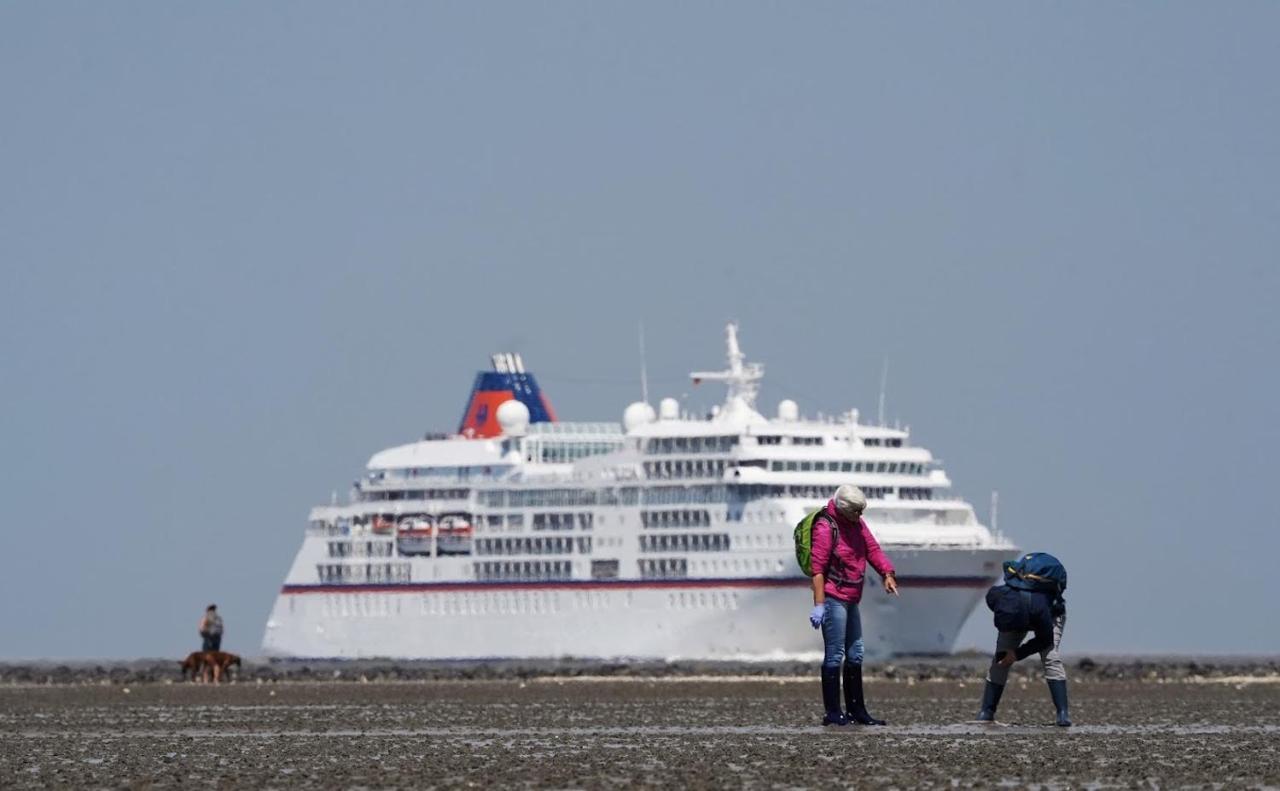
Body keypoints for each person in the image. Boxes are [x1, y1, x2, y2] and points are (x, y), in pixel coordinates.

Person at [808, 484, 899, 726]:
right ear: (843, 508)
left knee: (856, 653)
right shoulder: (825, 527)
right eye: (857, 512)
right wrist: (819, 605)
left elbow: (872, 548)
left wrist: (886, 573)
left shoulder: (856, 523)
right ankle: (833, 712)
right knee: (835, 653)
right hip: (832, 596)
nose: (861, 517)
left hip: (851, 597)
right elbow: (817, 570)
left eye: (862, 512)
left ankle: (857, 711)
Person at [976, 552, 1071, 727]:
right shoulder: (996, 596)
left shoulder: (1041, 611)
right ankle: (987, 711)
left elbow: (1044, 639)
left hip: (1050, 615)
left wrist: (1017, 654)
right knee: (1000, 658)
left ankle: (1063, 713)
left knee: (1050, 658)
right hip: (1018, 611)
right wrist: (1007, 653)